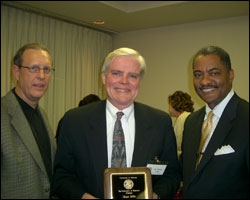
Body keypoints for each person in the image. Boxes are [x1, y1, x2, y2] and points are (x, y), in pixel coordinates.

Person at [52, 47, 180, 199]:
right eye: (116, 73)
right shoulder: (74, 121)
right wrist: (83, 197)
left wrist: (155, 196)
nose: (124, 81)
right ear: (104, 77)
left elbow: (172, 174)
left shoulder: (160, 122)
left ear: (139, 81)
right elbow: (61, 175)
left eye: (132, 76)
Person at [180, 45, 249, 198]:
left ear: (230, 75)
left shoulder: (246, 117)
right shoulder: (191, 121)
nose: (204, 81)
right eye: (198, 74)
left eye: (214, 73)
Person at [1, 43, 56, 198]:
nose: (41, 76)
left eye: (47, 69)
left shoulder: (42, 115)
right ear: (16, 72)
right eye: (33, 68)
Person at [168, 91, 194, 158]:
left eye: (170, 104)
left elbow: (178, 143)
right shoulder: (189, 116)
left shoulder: (182, 118)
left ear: (175, 104)